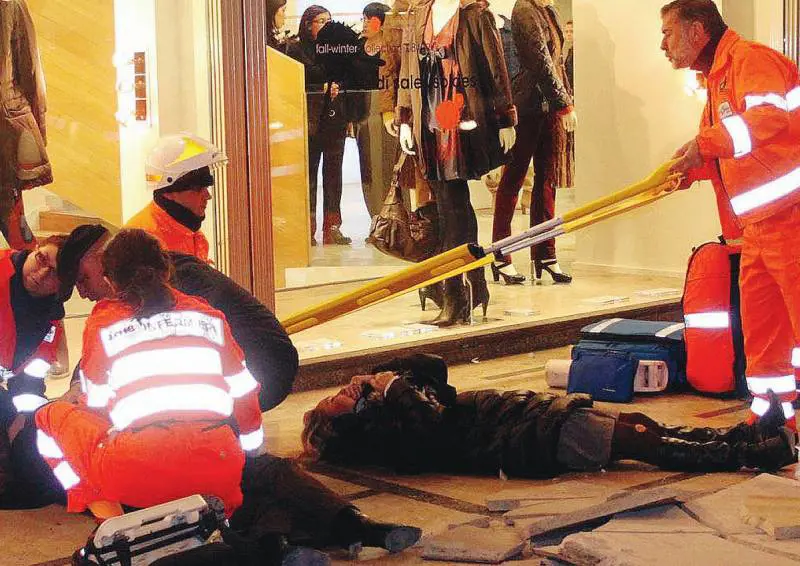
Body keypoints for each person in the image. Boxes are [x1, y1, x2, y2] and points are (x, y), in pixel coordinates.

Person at [35, 229, 266, 519]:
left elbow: (97, 404)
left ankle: (108, 516)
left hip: (135, 472)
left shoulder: (104, 322)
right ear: (167, 269)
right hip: (220, 472)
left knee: (46, 418)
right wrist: (248, 454)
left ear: (109, 279)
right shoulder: (210, 317)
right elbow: (245, 392)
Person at [302, 354, 797, 476]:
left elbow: (437, 373)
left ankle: (741, 436)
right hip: (535, 439)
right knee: (645, 445)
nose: (342, 389)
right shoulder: (395, 431)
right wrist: (392, 392)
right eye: (335, 399)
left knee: (646, 428)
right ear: (345, 423)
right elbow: (427, 437)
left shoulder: (402, 400)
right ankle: (747, 456)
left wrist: (391, 376)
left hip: (537, 415)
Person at [661, 0, 800, 428]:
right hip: (758, 229)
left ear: (698, 31)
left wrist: (705, 145)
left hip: (791, 219)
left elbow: (768, 120)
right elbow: (741, 154)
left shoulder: (752, 60)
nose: (663, 45)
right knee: (764, 330)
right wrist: (694, 168)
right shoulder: (718, 78)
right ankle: (773, 415)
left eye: (668, 32)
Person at [56, 224, 298, 413]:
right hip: (255, 370)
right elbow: (107, 343)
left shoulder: (177, 282)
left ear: (102, 259)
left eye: (83, 279)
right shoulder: (157, 279)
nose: (83, 293)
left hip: (266, 368)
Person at [397, 0, 517, 326]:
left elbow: (495, 67)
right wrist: (405, 117)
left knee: (454, 208)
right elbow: (408, 69)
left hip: (461, 123)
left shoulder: (476, 15)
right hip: (429, 122)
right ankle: (472, 287)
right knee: (452, 207)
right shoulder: (419, 14)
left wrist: (505, 118)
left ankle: (457, 295)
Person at [491, 0, 576, 286]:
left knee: (546, 182)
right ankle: (501, 255)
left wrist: (561, 102)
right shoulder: (524, 11)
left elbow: (554, 61)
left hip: (548, 106)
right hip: (526, 106)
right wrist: (564, 103)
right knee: (513, 181)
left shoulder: (548, 10)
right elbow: (539, 62)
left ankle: (545, 253)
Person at [0, 235, 67, 505]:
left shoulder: (51, 322)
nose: (41, 274)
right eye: (41, 260)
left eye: (53, 275)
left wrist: (28, 423)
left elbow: (30, 383)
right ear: (34, 249)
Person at [287, 6, 352, 247]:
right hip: (310, 120)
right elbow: (296, 76)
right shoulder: (294, 48)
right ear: (308, 24)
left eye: (329, 20)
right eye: (321, 21)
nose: (327, 25)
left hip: (335, 120)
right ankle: (308, 227)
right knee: (309, 176)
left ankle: (332, 228)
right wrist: (323, 86)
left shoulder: (336, 47)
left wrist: (338, 85)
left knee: (334, 175)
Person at [125, 133, 226, 263]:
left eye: (206, 187)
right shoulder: (142, 243)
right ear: (169, 192)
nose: (208, 196)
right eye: (198, 188)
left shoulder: (187, 230)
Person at [0, 0, 52, 249]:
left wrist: (36, 138)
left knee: (12, 218)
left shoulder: (9, 5)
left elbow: (29, 71)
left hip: (5, 133)